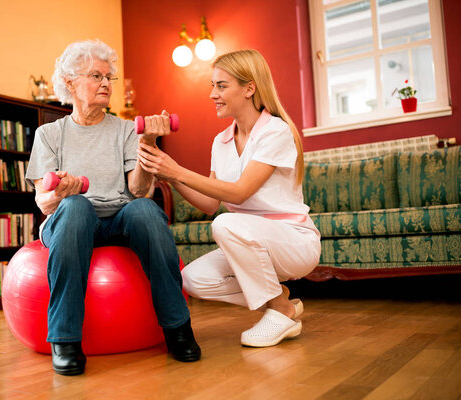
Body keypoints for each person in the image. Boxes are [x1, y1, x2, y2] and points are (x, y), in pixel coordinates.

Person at [25, 39, 201, 376]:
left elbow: (139, 191)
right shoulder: (49, 134)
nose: (106, 83)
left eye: (110, 77)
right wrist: (62, 193)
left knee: (146, 212)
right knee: (76, 206)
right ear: (70, 82)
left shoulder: (124, 130)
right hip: (72, 221)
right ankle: (64, 339)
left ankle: (178, 329)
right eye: (96, 76)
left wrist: (147, 141)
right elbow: (43, 202)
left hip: (120, 217)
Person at [137, 49, 321, 348]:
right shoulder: (221, 141)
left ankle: (280, 313)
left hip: (292, 241)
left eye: (221, 86)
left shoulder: (276, 131)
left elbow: (239, 192)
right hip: (244, 236)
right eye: (212, 86)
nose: (212, 94)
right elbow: (210, 203)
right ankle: (279, 301)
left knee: (227, 224)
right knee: (193, 279)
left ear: (249, 88)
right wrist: (168, 174)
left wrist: (178, 170)